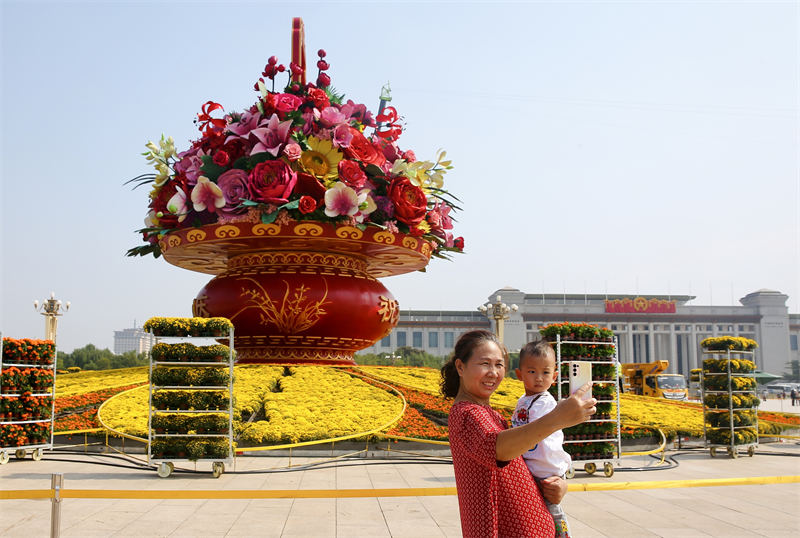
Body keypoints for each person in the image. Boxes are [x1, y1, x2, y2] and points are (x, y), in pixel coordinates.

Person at [441, 330, 596, 538]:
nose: (493, 373)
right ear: (461, 367)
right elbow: (497, 448)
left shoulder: (489, 413)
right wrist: (557, 418)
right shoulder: (466, 413)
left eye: (499, 365)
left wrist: (556, 481)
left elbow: (523, 459)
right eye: (485, 363)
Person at [512, 340, 572, 538]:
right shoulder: (524, 401)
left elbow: (532, 432)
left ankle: (564, 535)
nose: (539, 378)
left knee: (553, 513)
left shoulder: (545, 402)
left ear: (554, 376)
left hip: (547, 472)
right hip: (533, 468)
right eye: (532, 371)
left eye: (545, 372)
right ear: (519, 374)